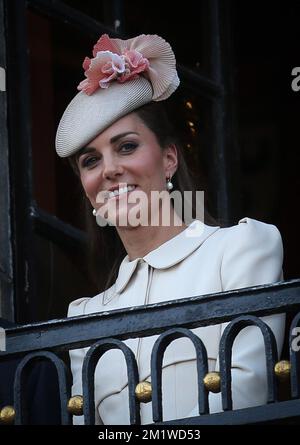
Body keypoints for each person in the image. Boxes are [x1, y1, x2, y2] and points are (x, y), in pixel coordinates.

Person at [55, 33, 285, 425]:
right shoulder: (85, 315)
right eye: (91, 160)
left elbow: (244, 397)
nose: (109, 169)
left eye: (126, 146)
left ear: (169, 159)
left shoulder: (242, 248)